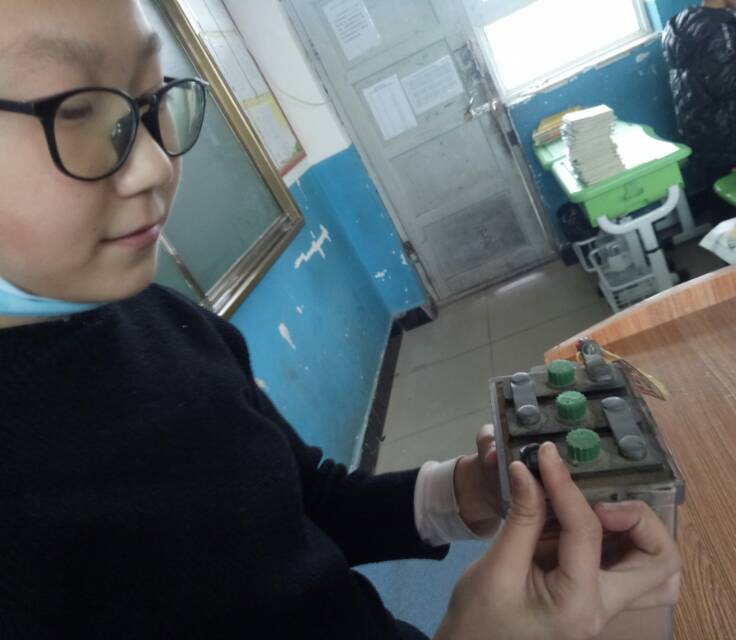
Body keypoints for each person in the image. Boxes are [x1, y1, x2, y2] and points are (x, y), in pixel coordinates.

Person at [0, 1, 681, 638]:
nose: (155, 164)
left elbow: (301, 502)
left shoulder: (162, 318)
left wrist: (469, 491)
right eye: (78, 111)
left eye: (154, 99)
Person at [662, 0, 736, 189]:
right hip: (727, 132)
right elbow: (726, 84)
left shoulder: (678, 23)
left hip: (696, 130)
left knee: (719, 188)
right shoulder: (720, 27)